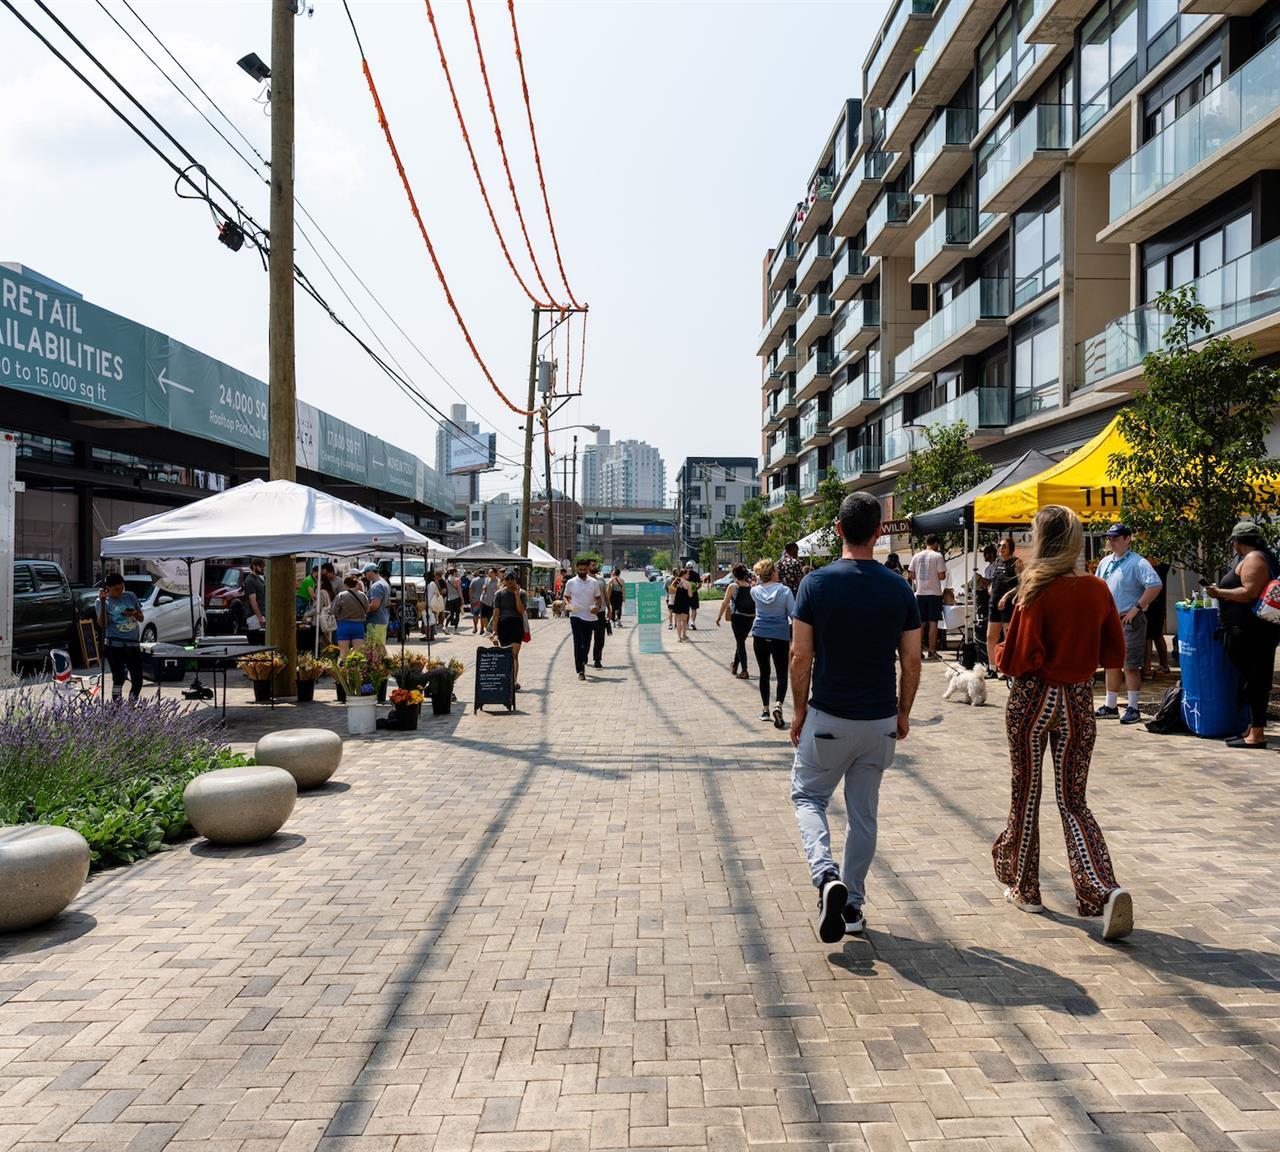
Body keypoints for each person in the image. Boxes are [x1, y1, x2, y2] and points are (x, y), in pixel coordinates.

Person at [993, 505, 1132, 941]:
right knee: (1074, 800)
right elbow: (1114, 654)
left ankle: (1026, 887)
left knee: (1026, 793)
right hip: (1077, 698)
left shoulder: (1034, 588)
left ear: (1042, 540)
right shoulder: (1097, 588)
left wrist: (997, 650)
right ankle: (1102, 890)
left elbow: (1016, 659)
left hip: (1032, 698)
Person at [788, 492, 921, 942]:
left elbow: (800, 655)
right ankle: (852, 907)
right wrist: (904, 711)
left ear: (838, 529)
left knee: (809, 797)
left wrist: (799, 710)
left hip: (829, 715)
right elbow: (912, 660)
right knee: (863, 815)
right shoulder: (899, 587)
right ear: (879, 532)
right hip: (880, 719)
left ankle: (827, 877)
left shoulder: (815, 584)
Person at [1208, 521, 1280, 749]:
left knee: (1254, 681)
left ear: (1237, 541)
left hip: (1251, 632)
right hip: (1250, 631)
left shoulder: (1254, 558)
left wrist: (1219, 592)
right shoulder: (1259, 556)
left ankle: (1257, 734)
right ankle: (1252, 728)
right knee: (1252, 679)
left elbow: (1249, 592)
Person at [1094, 523, 1163, 725]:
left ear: (1127, 539)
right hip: (1110, 619)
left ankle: (1133, 707)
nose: (1111, 542)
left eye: (1116, 538)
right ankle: (1111, 705)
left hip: (1128, 618)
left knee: (1130, 665)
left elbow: (1155, 585)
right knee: (1111, 663)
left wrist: (1137, 607)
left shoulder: (1138, 562)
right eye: (1110, 538)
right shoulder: (1105, 561)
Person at [750, 558, 794, 728]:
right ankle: (779, 705)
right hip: (780, 635)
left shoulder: (755, 591)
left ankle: (765, 710)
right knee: (782, 673)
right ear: (772, 572)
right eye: (776, 569)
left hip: (760, 633)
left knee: (764, 672)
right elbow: (793, 614)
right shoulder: (785, 591)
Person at [96, 572, 146, 701]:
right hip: (115, 645)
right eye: (117, 589)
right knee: (118, 679)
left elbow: (141, 618)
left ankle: (131, 705)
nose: (120, 592)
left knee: (138, 679)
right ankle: (117, 707)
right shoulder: (102, 601)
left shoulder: (130, 596)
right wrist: (103, 603)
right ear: (108, 588)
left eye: (122, 588)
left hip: (133, 644)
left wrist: (134, 613)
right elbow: (103, 624)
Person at [564, 557, 605, 680]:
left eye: (584, 570)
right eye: (580, 569)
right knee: (578, 643)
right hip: (576, 615)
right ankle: (580, 670)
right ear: (576, 569)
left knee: (586, 643)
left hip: (590, 616)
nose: (582, 571)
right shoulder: (571, 582)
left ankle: (584, 658)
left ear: (587, 569)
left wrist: (597, 607)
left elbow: (598, 598)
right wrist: (568, 604)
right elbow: (566, 596)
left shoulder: (594, 582)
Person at [908, 534, 948, 660]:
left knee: (920, 623)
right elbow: (942, 576)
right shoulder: (937, 556)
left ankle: (918, 651)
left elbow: (911, 575)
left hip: (920, 593)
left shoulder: (917, 556)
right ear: (935, 543)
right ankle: (932, 651)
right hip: (934, 593)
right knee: (933, 623)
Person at [488, 567, 528, 692]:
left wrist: (516, 595)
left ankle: (513, 681)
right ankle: (507, 679)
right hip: (503, 625)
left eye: (512, 579)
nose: (510, 581)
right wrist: (494, 630)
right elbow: (496, 613)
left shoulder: (522, 593)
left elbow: (521, 610)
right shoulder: (499, 594)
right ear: (504, 580)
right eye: (507, 579)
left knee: (514, 654)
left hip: (516, 624)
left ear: (516, 579)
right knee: (506, 654)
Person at [987, 538, 1020, 679]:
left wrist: (1006, 596)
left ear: (1011, 548)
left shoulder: (1017, 563)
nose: (1001, 548)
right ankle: (992, 668)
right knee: (990, 636)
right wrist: (990, 587)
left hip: (1008, 604)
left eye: (1004, 546)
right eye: (999, 546)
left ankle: (1007, 669)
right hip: (994, 603)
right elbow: (995, 580)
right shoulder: (998, 562)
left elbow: (1021, 585)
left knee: (1008, 636)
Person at [716, 563, 754, 679]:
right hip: (750, 617)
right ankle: (735, 665)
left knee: (740, 642)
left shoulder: (733, 586)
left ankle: (744, 670)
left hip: (737, 617)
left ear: (734, 574)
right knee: (740, 641)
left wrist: (719, 617)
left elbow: (725, 603)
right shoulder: (751, 586)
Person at [1143, 556, 1171, 677]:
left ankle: (1147, 667)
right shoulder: (1162, 568)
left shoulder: (1155, 571)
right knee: (1157, 635)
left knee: (1148, 636)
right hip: (1158, 606)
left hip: (1152, 606)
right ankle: (1163, 665)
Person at [333, 573, 369, 654]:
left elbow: (334, 611)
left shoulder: (341, 595)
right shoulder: (362, 595)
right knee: (358, 653)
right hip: (358, 625)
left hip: (344, 625)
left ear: (345, 584)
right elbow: (367, 609)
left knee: (343, 652)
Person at [361, 562, 392, 649]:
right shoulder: (384, 583)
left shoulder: (376, 586)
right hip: (383, 619)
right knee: (380, 646)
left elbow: (375, 605)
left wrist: (363, 612)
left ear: (371, 572)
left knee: (375, 647)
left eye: (365, 573)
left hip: (375, 621)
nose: (364, 575)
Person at [243, 559, 267, 641]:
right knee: (257, 640)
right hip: (254, 616)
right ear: (254, 566)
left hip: (261, 614)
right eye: (260, 566)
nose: (262, 568)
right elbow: (253, 601)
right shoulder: (250, 580)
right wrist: (260, 618)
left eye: (263, 566)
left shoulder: (259, 579)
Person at [671, 567, 694, 641]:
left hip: (677, 603)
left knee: (678, 620)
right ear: (684, 574)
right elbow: (690, 595)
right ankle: (684, 635)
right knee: (684, 621)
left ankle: (679, 637)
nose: (689, 575)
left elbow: (671, 591)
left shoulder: (676, 581)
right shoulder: (688, 583)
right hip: (685, 603)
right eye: (687, 574)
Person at [444, 567, 463, 633]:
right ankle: (455, 629)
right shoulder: (457, 580)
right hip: (457, 598)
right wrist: (462, 599)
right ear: (454, 572)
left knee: (451, 613)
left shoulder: (447, 580)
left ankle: (445, 626)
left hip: (450, 598)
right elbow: (459, 590)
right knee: (457, 614)